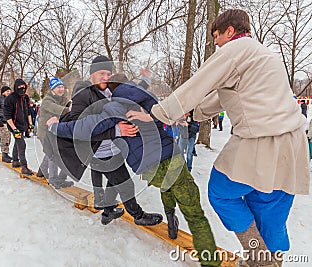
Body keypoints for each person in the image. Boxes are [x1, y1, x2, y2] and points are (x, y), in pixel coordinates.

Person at [147, 9, 309, 267]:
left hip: (261, 140)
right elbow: (223, 96)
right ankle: (273, 262)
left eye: (216, 35)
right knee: (268, 207)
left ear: (230, 31)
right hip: (292, 143)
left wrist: (162, 112)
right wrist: (194, 113)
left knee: (221, 192)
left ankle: (259, 259)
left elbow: (199, 83)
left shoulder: (235, 49)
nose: (215, 42)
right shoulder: (264, 56)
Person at [47, 74, 221, 267]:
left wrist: (55, 127)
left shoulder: (112, 106)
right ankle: (211, 261)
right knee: (194, 212)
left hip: (145, 166)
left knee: (162, 185)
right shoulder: (141, 99)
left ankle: (167, 216)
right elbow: (165, 114)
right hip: (166, 155)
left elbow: (81, 128)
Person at [43, 56, 163, 226]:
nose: (106, 77)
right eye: (101, 73)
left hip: (114, 147)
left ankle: (107, 212)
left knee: (114, 182)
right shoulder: (82, 95)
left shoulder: (109, 91)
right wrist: (116, 130)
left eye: (108, 73)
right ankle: (138, 215)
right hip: (99, 151)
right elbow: (80, 129)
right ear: (92, 74)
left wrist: (145, 80)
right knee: (126, 184)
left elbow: (130, 95)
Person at [36, 77, 74, 189]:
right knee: (53, 154)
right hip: (44, 133)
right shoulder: (47, 100)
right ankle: (53, 179)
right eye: (58, 87)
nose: (61, 89)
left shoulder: (60, 98)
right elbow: (57, 109)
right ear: (53, 89)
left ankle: (41, 172)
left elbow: (68, 103)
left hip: (52, 131)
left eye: (62, 87)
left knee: (48, 154)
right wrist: (69, 110)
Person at [4, 79, 34, 175]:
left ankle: (16, 161)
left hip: (23, 124)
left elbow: (28, 112)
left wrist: (30, 124)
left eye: (24, 87)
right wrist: (15, 129)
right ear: (16, 88)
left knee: (17, 143)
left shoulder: (25, 98)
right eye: (20, 87)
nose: (22, 89)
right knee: (22, 144)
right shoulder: (10, 98)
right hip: (14, 125)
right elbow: (7, 116)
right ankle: (24, 167)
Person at [0, 86, 13, 163]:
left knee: (8, 137)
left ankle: (6, 153)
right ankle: (4, 155)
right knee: (4, 137)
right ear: (3, 92)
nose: (9, 92)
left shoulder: (9, 99)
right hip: (0, 121)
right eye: (7, 91)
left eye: (9, 91)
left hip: (7, 121)